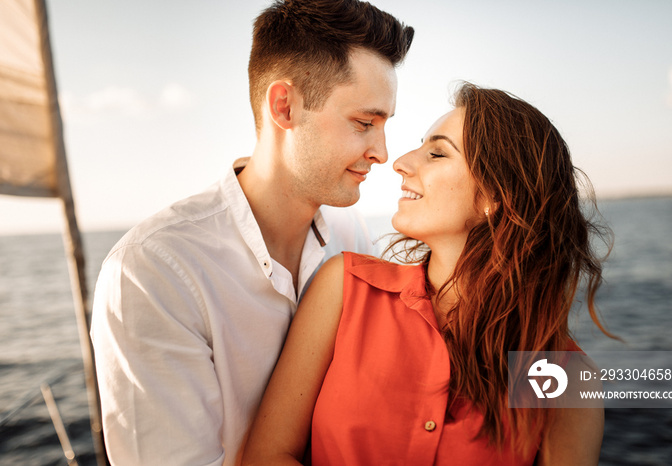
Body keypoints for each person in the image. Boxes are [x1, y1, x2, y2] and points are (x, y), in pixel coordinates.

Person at [90, 1, 414, 464]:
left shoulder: (351, 233)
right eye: (364, 123)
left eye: (384, 125)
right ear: (284, 106)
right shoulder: (152, 272)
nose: (382, 153)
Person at [241, 82, 613, 465]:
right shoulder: (344, 288)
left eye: (436, 153)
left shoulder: (563, 373)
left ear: (492, 197)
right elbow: (267, 456)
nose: (400, 161)